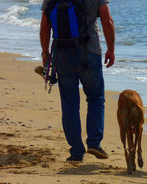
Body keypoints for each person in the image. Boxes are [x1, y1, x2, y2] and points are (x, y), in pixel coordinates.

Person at [40, 0, 115, 162]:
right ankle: (94, 143)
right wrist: (111, 49)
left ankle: (76, 151)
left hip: (62, 54)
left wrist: (45, 54)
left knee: (69, 104)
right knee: (96, 98)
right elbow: (107, 20)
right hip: (89, 53)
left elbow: (45, 26)